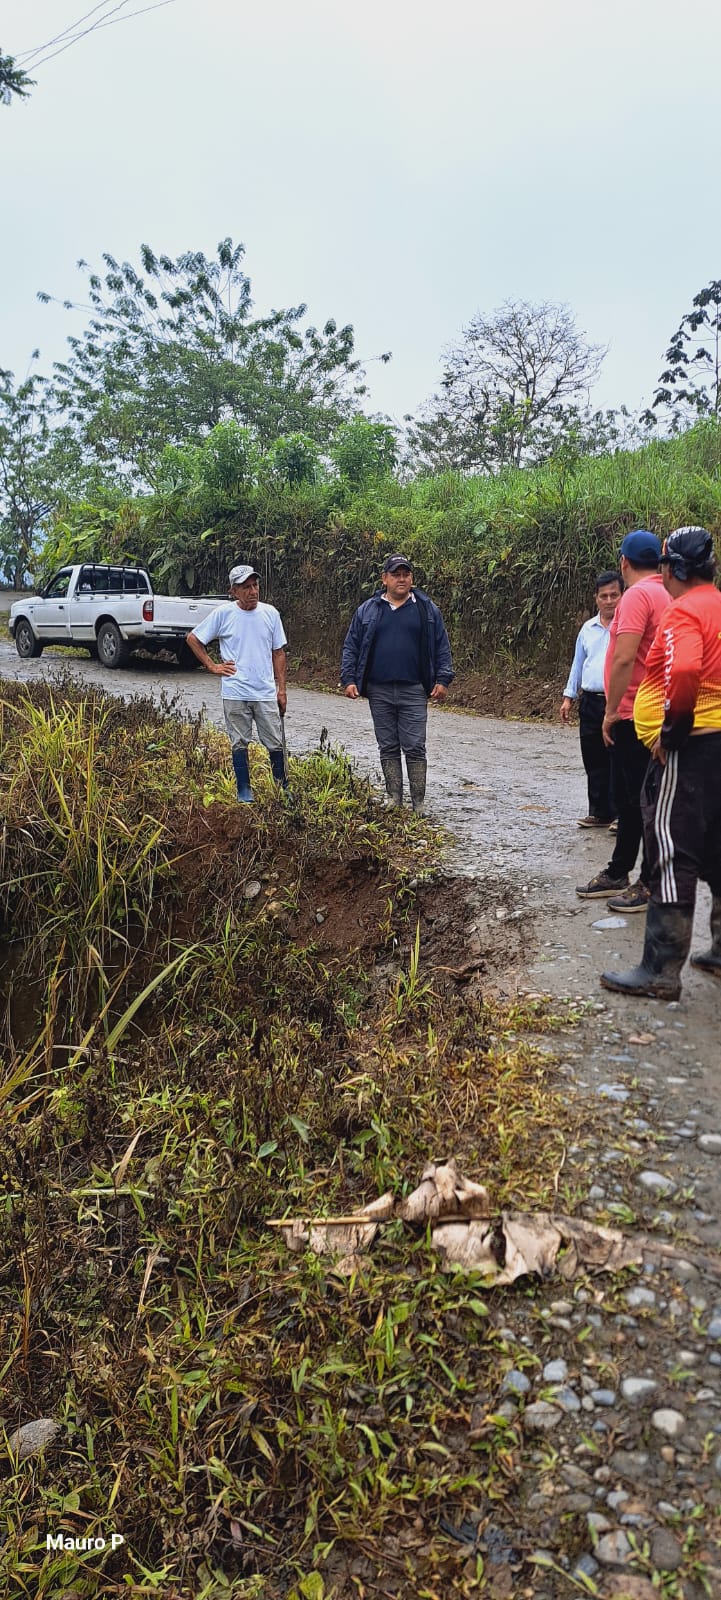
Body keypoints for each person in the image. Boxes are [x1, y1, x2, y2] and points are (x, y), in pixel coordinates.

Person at [600, 526, 721, 1000]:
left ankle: (660, 969)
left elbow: (685, 670)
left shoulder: (684, 611)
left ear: (675, 569)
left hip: (693, 749)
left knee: (672, 850)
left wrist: (671, 735)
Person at [576, 530, 670, 911]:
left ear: (624, 562)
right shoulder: (667, 594)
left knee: (638, 801)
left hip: (633, 712)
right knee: (635, 799)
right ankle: (620, 870)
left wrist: (611, 711)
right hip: (656, 710)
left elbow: (623, 657)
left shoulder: (637, 596)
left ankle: (647, 881)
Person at [340, 554, 454, 814]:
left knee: (415, 746)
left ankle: (419, 803)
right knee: (388, 745)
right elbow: (352, 645)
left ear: (411, 578)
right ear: (384, 579)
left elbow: (441, 645)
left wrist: (443, 678)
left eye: (406, 574)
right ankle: (394, 799)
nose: (401, 579)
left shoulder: (426, 610)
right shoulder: (368, 610)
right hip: (378, 690)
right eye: (396, 574)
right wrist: (348, 678)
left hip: (414, 689)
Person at [186, 563, 288, 804]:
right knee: (239, 742)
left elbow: (279, 652)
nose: (253, 591)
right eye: (246, 587)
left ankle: (282, 789)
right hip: (235, 691)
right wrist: (212, 666)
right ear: (233, 591)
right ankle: (244, 791)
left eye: (255, 585)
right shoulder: (224, 614)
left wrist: (281, 689)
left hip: (264, 692)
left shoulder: (270, 614)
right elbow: (193, 638)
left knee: (275, 742)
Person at [560, 570, 623, 827]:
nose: (609, 601)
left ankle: (621, 815)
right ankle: (599, 812)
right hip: (590, 701)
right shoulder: (588, 629)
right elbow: (578, 664)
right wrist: (569, 697)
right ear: (596, 598)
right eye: (603, 596)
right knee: (593, 757)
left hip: (618, 701)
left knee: (618, 757)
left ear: (622, 595)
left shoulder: (628, 627)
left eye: (614, 595)